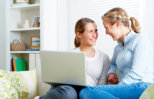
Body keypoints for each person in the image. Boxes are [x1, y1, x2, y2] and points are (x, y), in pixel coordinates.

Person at [79, 7, 153, 99]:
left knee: (87, 91)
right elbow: (113, 64)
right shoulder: (118, 48)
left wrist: (118, 87)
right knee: (85, 92)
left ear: (117, 24)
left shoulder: (140, 41)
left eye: (106, 28)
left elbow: (136, 74)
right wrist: (111, 73)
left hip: (142, 86)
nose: (106, 32)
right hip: (127, 89)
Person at [35, 18, 110, 99]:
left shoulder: (103, 57)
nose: (95, 35)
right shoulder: (70, 54)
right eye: (90, 31)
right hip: (68, 89)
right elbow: (59, 79)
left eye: (96, 30)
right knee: (69, 93)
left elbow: (101, 85)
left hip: (87, 92)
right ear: (79, 34)